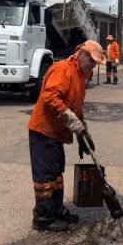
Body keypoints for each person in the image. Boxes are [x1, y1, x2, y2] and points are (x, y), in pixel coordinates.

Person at [27, 40, 106, 231]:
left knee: (56, 173)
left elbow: (75, 109)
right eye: (92, 61)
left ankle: (56, 210)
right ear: (81, 54)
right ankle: (43, 218)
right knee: (46, 176)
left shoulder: (79, 76)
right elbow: (50, 97)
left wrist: (82, 132)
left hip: (56, 133)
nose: (93, 66)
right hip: (43, 131)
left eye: (96, 63)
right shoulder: (63, 69)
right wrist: (73, 123)